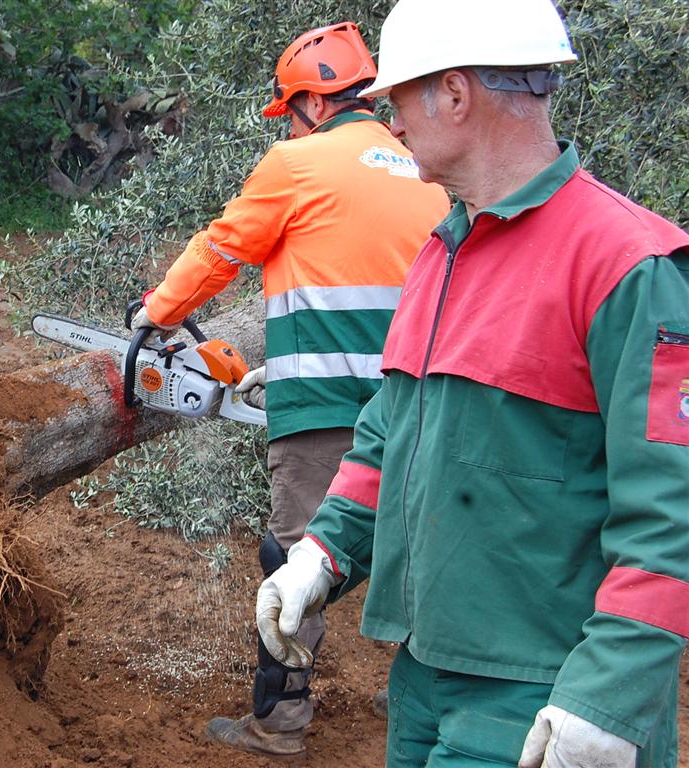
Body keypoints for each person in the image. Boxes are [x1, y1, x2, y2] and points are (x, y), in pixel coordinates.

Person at [255, 0, 689, 766]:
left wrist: (608, 701)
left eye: (398, 101)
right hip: (423, 679)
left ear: (455, 94)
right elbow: (392, 429)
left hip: (543, 696)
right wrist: (322, 551)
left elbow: (672, 511)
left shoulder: (626, 265)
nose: (391, 124)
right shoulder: (443, 249)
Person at [130, 21, 448, 757]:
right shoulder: (421, 162)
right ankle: (421, 697)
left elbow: (221, 248)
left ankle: (279, 721)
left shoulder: (296, 161)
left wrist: (156, 314)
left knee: (295, 555)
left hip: (326, 408)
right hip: (423, 401)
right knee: (421, 550)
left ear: (309, 101)